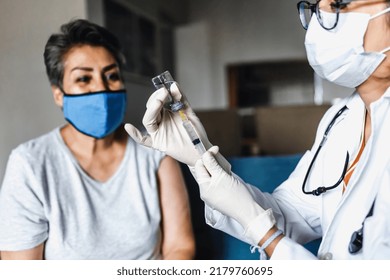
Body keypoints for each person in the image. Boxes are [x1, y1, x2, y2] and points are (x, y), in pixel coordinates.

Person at [125, 0, 390, 259]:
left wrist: (266, 234)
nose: (319, 22)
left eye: (337, 5)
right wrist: (202, 158)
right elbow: (291, 215)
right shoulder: (343, 118)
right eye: (315, 7)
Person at [0, 19, 195, 260]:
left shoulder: (156, 151)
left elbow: (180, 247)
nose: (102, 89)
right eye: (84, 79)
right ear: (59, 95)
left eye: (111, 76)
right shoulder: (30, 164)